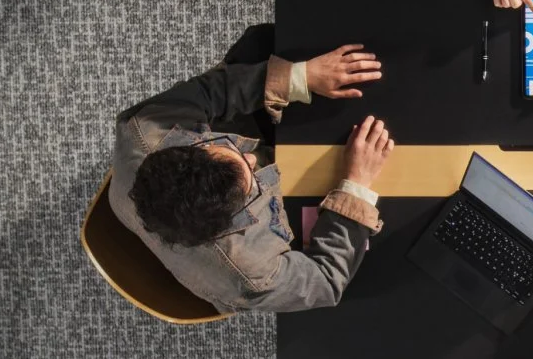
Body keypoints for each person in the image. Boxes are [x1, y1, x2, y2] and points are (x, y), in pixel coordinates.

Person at [109, 27, 393, 315]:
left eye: (226, 150)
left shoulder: (145, 127)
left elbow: (209, 91)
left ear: (192, 147)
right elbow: (325, 280)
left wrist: (300, 77)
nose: (252, 160)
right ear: (230, 221)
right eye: (248, 185)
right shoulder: (250, 275)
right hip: (262, 232)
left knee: (263, 43)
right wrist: (356, 184)